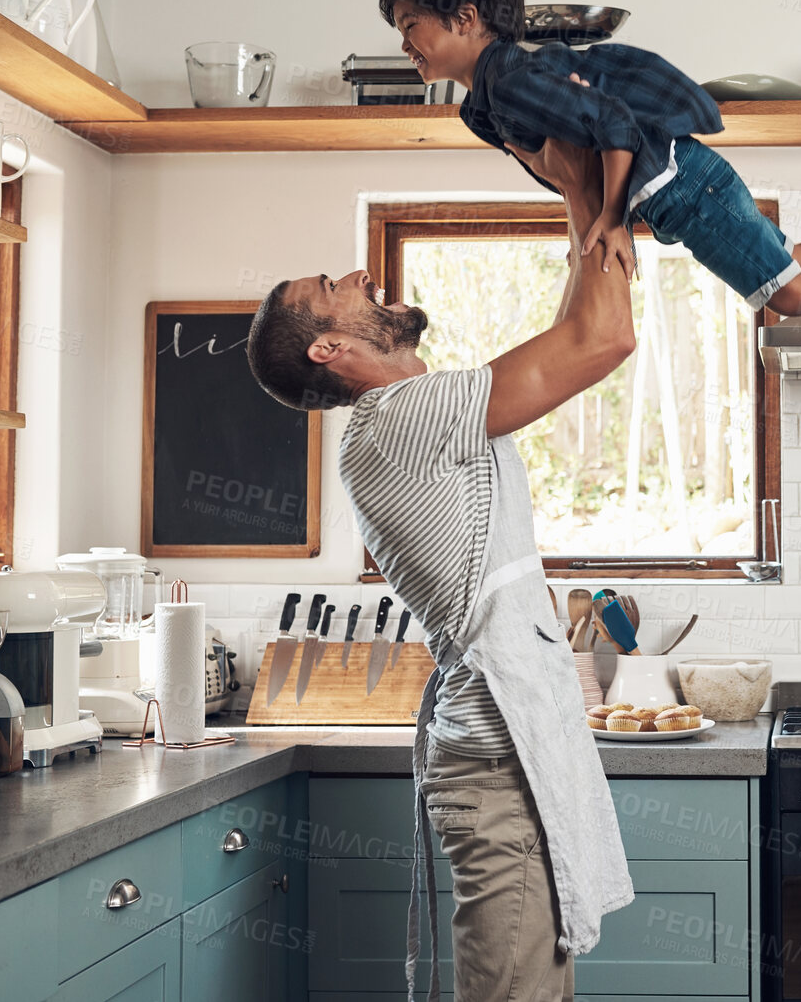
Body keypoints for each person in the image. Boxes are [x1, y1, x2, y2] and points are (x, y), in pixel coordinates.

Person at [245, 139, 634, 1002]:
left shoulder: (412, 418)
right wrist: (595, 195)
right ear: (329, 349)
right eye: (330, 288)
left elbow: (584, 326)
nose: (355, 274)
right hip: (498, 766)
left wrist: (587, 199)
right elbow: (603, 337)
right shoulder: (399, 419)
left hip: (501, 757)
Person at [377, 0, 801, 426]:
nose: (404, 44)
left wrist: (611, 219)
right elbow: (575, 156)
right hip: (685, 186)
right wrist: (591, 214)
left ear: (465, 17)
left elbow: (614, 125)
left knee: (790, 296)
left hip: (683, 190)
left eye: (410, 25)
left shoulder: (508, 80)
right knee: (788, 263)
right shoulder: (484, 99)